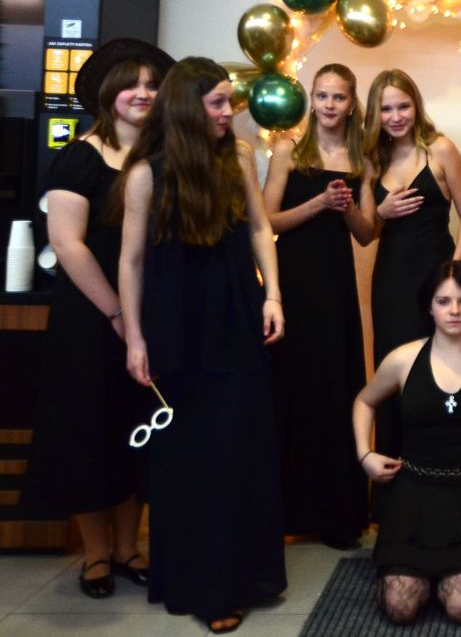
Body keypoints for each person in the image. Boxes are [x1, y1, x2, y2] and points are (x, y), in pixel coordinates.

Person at [118, 57, 287, 633]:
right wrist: (134, 337)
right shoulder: (146, 174)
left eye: (227, 102)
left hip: (236, 318)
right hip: (175, 329)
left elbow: (260, 227)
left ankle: (243, 576)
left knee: (239, 450)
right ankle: (202, 586)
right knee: (190, 461)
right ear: (188, 107)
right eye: (217, 102)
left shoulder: (236, 156)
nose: (227, 112)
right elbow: (131, 261)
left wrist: (273, 296)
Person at [24, 38, 172, 599]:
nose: (142, 93)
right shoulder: (79, 156)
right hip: (90, 316)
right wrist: (115, 311)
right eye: (131, 84)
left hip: (150, 312)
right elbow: (68, 243)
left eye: (152, 85)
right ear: (109, 93)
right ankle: (95, 555)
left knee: (138, 426)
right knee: (90, 430)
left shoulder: (164, 159)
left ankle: (130, 547)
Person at [352, 261, 461, 626]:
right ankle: (423, 572)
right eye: (443, 301)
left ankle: (454, 571)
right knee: (399, 608)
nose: (454, 310)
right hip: (412, 493)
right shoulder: (402, 359)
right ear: (429, 307)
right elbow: (364, 401)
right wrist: (364, 454)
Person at [262, 63, 373, 547]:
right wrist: (318, 204)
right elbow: (266, 221)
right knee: (290, 389)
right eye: (322, 95)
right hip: (292, 283)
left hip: (334, 284)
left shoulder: (362, 157)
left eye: (338, 97)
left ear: (351, 104)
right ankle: (285, 515)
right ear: (312, 99)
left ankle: (335, 516)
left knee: (333, 389)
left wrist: (345, 207)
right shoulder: (289, 149)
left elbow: (367, 233)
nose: (329, 105)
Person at [364, 68, 461, 460]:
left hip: (437, 279)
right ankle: (394, 475)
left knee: (437, 372)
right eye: (386, 109)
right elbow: (366, 232)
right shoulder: (372, 159)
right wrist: (382, 211)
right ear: (374, 114)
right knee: (393, 371)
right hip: (391, 282)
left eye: (403, 106)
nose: (396, 117)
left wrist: (455, 276)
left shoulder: (440, 149)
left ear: (416, 106)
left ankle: (439, 469)